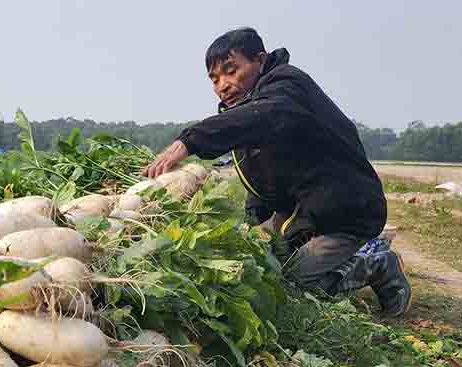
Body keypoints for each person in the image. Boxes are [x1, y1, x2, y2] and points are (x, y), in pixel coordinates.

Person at [144, 27, 411, 316]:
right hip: (305, 212)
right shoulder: (252, 110)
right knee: (260, 268)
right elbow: (263, 178)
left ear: (259, 60)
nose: (223, 85)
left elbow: (267, 115)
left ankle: (376, 262)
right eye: (215, 78)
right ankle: (325, 256)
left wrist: (190, 140)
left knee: (292, 284)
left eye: (231, 71)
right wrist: (251, 223)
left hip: (345, 213)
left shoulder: (287, 87)